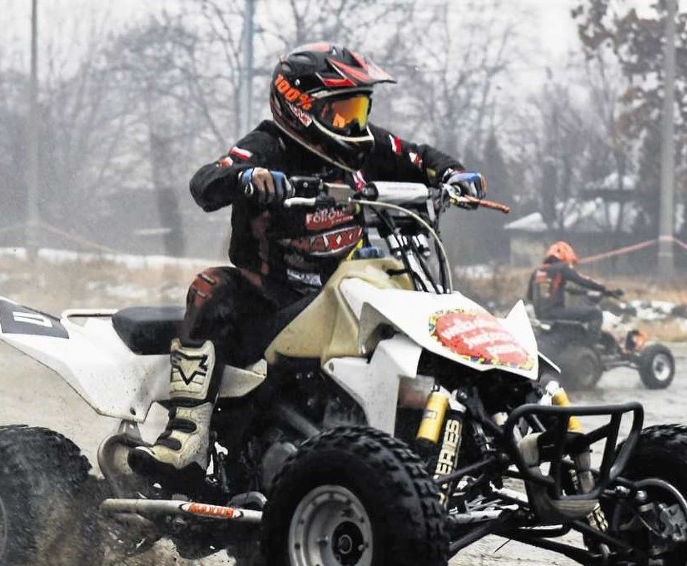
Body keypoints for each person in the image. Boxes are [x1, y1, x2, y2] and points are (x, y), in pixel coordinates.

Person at [129, 42, 486, 476]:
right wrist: (247, 178)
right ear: (300, 107)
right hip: (268, 296)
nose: (355, 124)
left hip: (337, 292)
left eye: (359, 109)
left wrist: (453, 175)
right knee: (210, 287)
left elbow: (420, 157)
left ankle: (444, 430)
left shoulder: (362, 147)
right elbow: (205, 183)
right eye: (342, 111)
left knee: (405, 294)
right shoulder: (269, 144)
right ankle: (187, 433)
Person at [526, 241, 623, 333]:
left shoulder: (537, 271)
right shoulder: (562, 267)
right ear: (565, 257)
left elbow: (530, 296)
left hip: (540, 315)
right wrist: (604, 289)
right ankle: (589, 346)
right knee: (595, 314)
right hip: (556, 313)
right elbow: (583, 281)